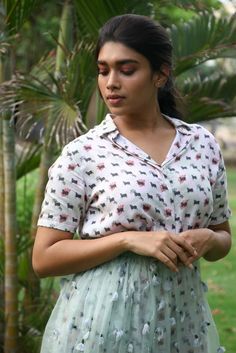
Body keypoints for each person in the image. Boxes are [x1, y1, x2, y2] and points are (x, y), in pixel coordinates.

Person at [32, 14, 232, 353]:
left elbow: (223, 239)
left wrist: (209, 238)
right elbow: (44, 257)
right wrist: (127, 239)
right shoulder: (83, 154)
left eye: (127, 70)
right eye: (103, 70)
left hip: (184, 325)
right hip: (102, 325)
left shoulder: (202, 144)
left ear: (161, 74)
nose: (111, 82)